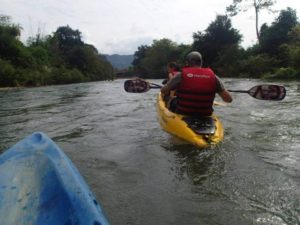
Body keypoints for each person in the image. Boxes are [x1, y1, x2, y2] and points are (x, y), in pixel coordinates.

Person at [161, 51, 232, 116]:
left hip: (183, 112)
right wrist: (221, 89)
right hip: (205, 114)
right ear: (201, 62)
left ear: (187, 63)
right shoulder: (214, 77)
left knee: (168, 98)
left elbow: (163, 91)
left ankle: (169, 116)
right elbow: (228, 99)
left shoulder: (181, 75)